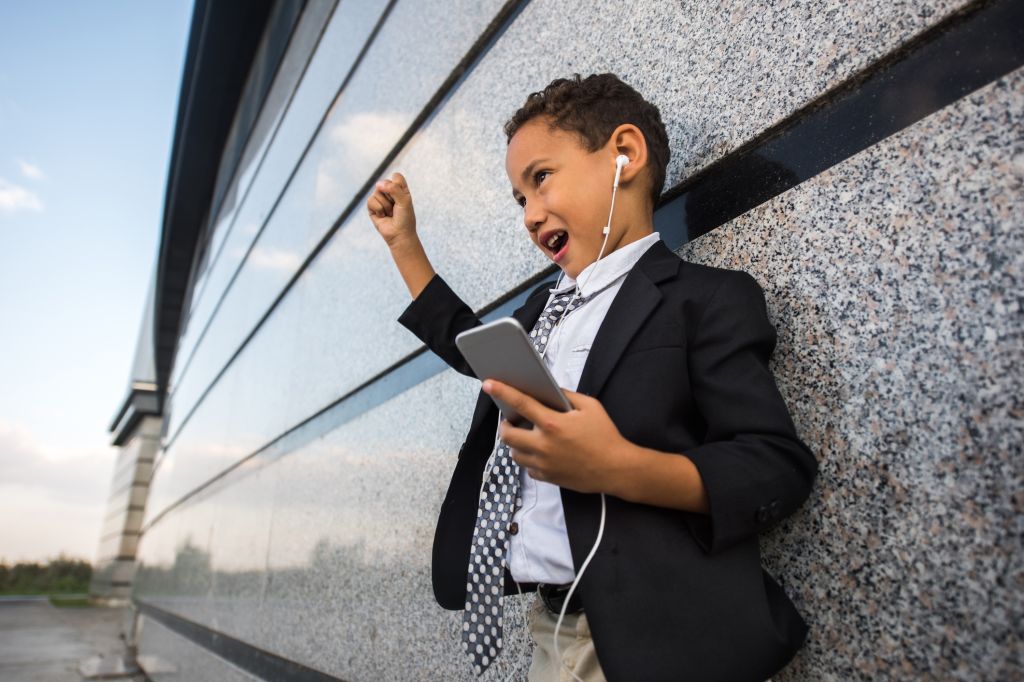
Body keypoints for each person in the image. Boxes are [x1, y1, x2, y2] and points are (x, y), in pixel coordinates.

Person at [367, 73, 817, 682]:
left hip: (655, 636)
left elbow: (774, 465)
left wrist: (619, 467)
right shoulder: (540, 314)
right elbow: (477, 353)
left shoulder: (704, 299)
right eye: (519, 200)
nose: (529, 215)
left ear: (624, 155)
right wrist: (405, 248)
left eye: (540, 179)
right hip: (552, 631)